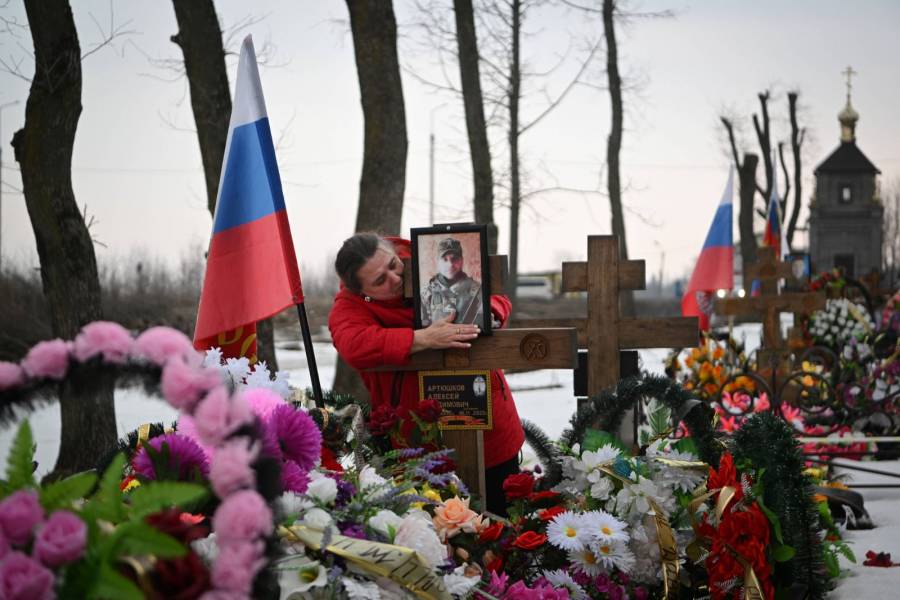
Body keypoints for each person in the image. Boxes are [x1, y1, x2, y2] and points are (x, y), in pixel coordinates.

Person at [329, 233, 524, 515]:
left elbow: (494, 291)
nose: (395, 279)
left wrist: (488, 312)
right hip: (418, 445)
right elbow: (354, 344)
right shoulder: (350, 306)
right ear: (362, 291)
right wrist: (424, 339)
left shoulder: (435, 258)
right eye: (380, 281)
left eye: (393, 265)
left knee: (505, 522)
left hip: (488, 424)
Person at [421, 237, 483, 328]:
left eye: (454, 259)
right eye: (445, 259)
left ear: (462, 260)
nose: (450, 265)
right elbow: (422, 328)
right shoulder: (426, 292)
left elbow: (485, 325)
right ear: (438, 262)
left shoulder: (477, 291)